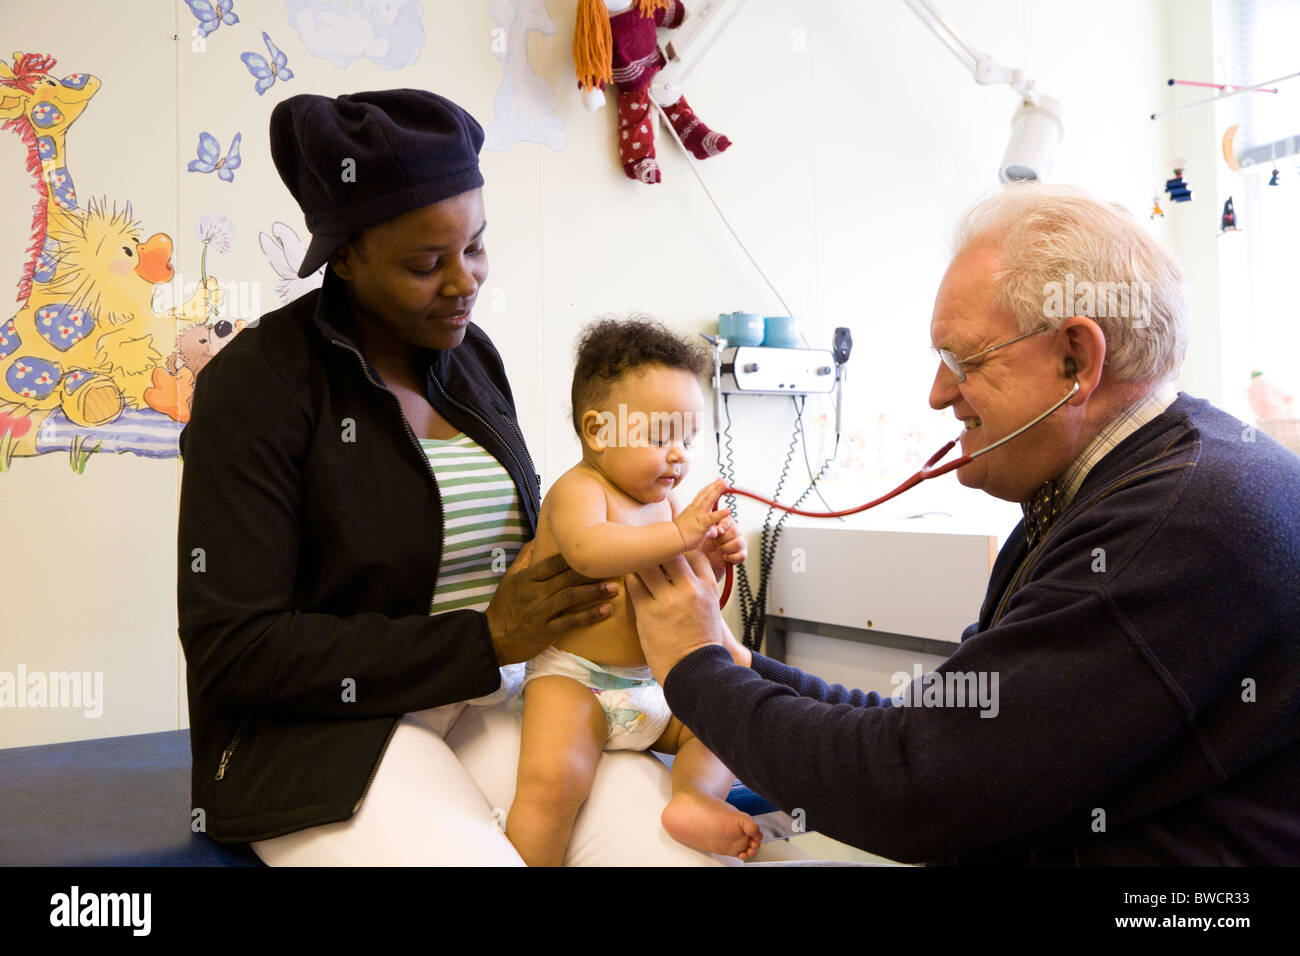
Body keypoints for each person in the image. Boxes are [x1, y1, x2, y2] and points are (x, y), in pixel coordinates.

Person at [625, 184, 1300, 865]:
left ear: (1077, 359)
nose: (939, 394)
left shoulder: (1175, 526)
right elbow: (937, 731)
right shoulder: (1108, 492)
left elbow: (912, 787)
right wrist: (739, 663)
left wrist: (694, 667)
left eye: (964, 361)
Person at [177, 89, 731, 865]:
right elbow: (236, 650)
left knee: (675, 854)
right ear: (344, 254)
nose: (464, 282)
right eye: (424, 264)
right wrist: (483, 638)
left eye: (475, 247)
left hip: (488, 698)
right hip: (322, 737)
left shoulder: (471, 361)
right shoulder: (257, 386)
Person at [504, 319, 760, 865]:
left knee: (722, 727)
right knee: (553, 784)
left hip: (657, 687)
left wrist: (712, 556)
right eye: (661, 437)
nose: (679, 457)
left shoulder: (668, 507)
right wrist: (681, 533)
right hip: (577, 684)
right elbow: (590, 551)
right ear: (599, 432)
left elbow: (697, 595)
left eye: (687, 441)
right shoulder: (580, 491)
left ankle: (692, 799)